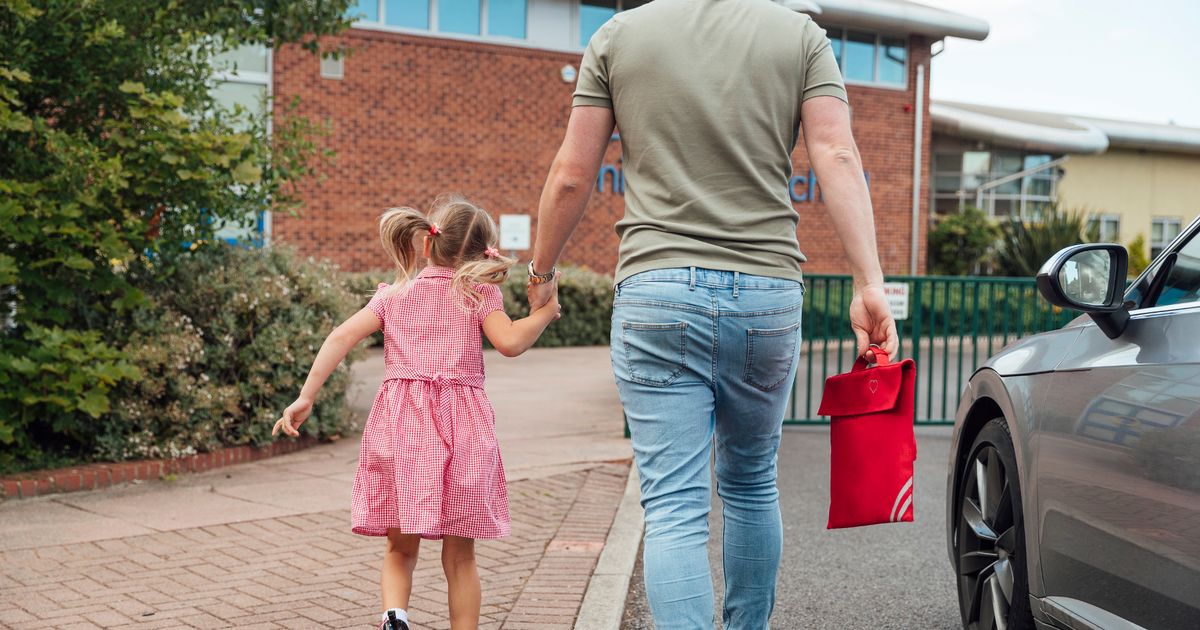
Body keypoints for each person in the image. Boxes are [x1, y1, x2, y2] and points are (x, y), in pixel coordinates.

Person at [526, 1, 900, 628]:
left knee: (673, 506)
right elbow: (835, 154)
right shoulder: (800, 35)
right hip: (766, 291)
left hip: (656, 289)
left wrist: (541, 274)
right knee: (752, 484)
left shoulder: (618, 36)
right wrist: (869, 281)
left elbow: (571, 174)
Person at [274, 195, 561, 630]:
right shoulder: (480, 293)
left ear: (427, 244)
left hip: (402, 427)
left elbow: (340, 336)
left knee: (399, 547)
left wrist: (305, 396)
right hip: (461, 428)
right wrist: (545, 313)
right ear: (483, 251)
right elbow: (510, 343)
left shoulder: (394, 295)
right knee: (461, 557)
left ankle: (395, 615)